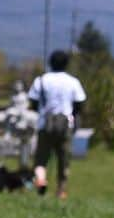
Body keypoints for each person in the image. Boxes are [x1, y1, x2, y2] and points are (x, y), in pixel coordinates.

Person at [28, 50, 87, 200]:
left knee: (41, 158)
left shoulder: (41, 80)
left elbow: (33, 102)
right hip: (65, 125)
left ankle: (41, 179)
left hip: (44, 125)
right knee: (64, 159)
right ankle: (61, 190)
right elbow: (80, 103)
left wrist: (41, 111)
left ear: (50, 63)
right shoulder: (73, 81)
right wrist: (73, 115)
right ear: (66, 64)